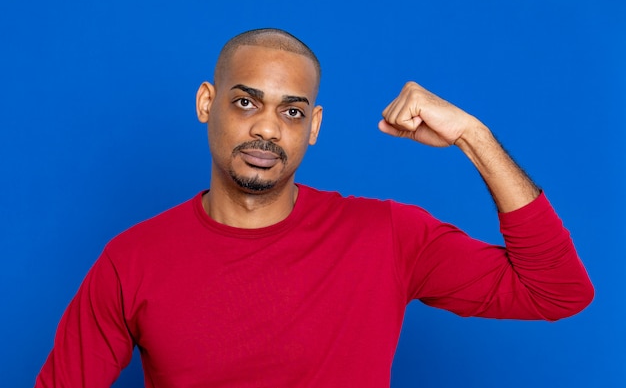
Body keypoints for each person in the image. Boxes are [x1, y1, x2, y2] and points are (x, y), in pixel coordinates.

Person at [35, 28, 593, 387]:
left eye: (292, 111)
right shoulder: (132, 259)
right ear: (208, 103)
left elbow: (558, 292)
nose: (267, 128)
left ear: (314, 127)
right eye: (246, 101)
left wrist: (475, 137)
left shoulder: (387, 237)